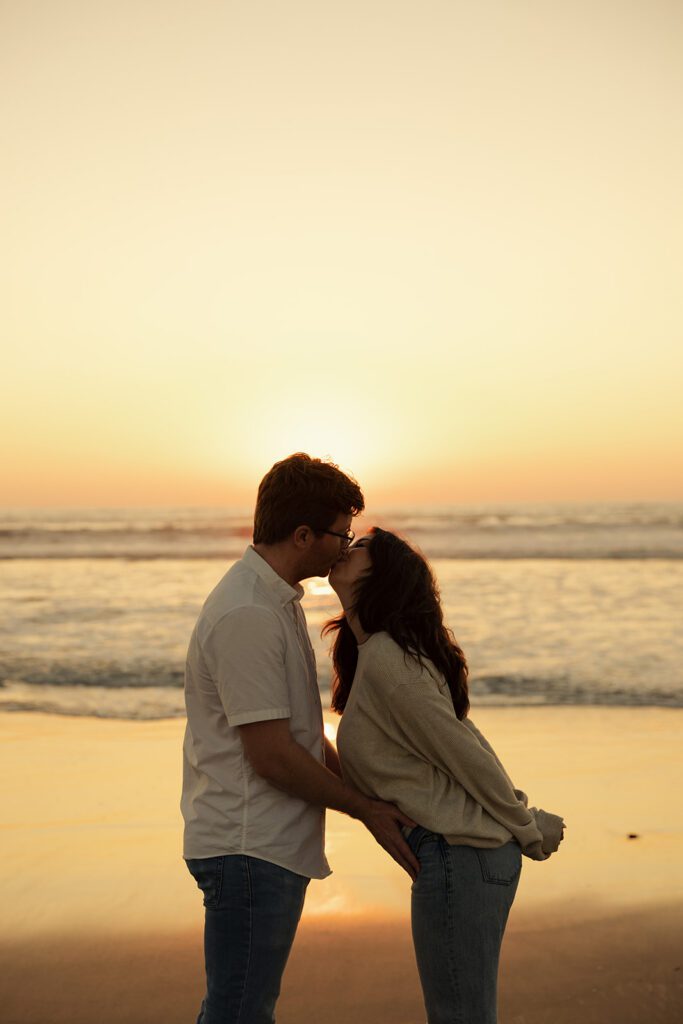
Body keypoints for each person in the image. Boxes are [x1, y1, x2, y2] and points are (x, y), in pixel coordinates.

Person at [181, 455, 419, 1024]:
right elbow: (272, 757)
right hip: (248, 846)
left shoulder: (276, 600)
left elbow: (299, 738)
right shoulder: (248, 613)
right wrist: (364, 808)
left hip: (264, 846)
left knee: (243, 1009)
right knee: (240, 1012)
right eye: (342, 534)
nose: (346, 547)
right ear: (304, 535)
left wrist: (374, 794)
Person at [327, 527, 565, 1024]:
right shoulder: (378, 654)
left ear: (383, 576)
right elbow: (462, 737)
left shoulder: (388, 657)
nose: (347, 548)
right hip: (461, 854)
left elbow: (461, 751)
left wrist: (525, 824)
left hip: (462, 854)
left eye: (361, 546)